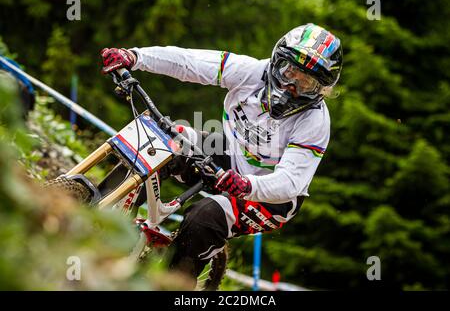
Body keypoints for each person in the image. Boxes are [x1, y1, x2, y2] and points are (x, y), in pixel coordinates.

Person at [100, 23, 343, 283]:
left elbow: (290, 183)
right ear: (276, 61)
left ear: (321, 91)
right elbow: (188, 62)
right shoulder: (250, 72)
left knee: (202, 219)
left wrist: (246, 185)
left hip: (272, 197)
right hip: (229, 157)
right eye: (290, 71)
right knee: (160, 143)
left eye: (306, 83)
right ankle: (93, 210)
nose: (291, 87)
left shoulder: (315, 122)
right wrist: (136, 57)